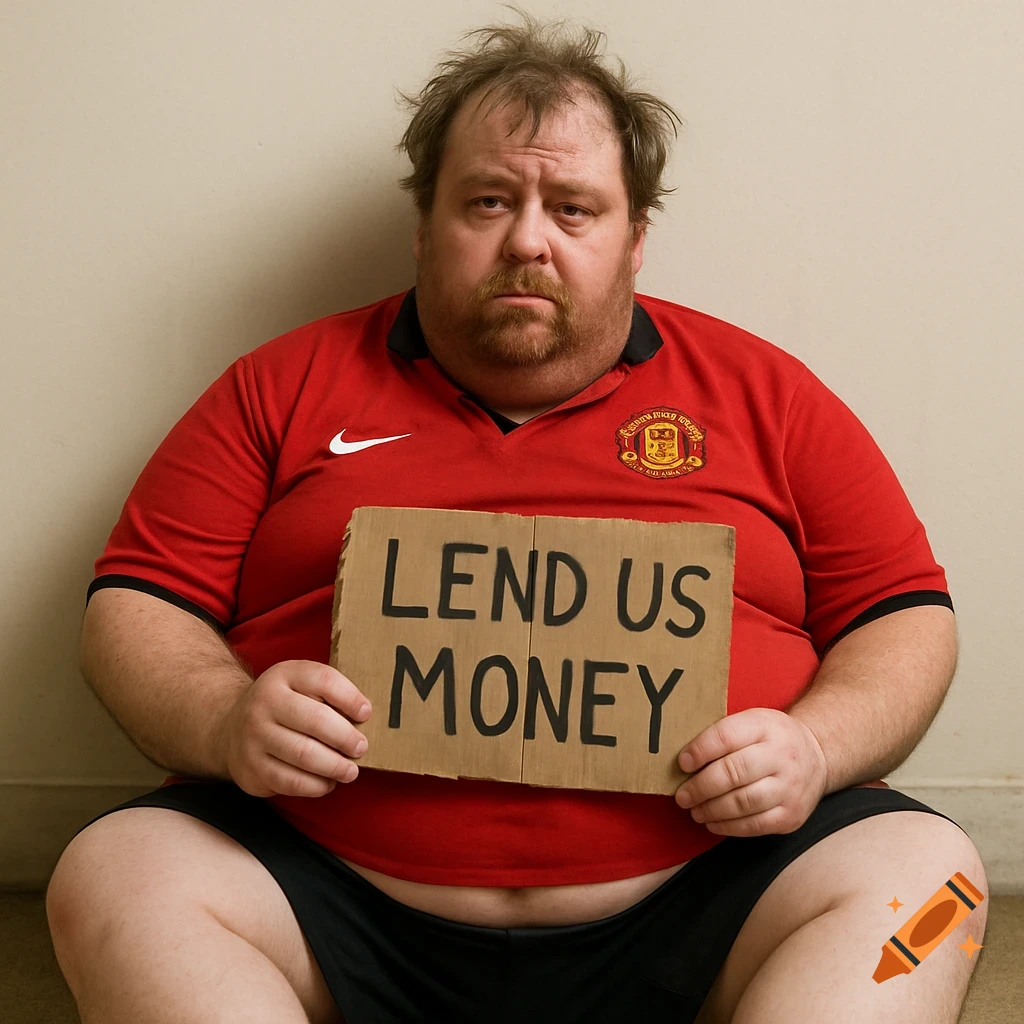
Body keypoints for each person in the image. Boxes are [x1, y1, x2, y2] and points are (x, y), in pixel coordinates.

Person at [46, 9, 986, 1024]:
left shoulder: (768, 395)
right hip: (325, 896)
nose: (528, 240)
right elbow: (136, 607)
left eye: (572, 208)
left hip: (704, 901)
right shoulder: (278, 387)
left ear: (634, 240)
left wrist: (813, 748)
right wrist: (224, 719)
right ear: (425, 225)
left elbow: (903, 617)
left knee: (936, 886)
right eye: (488, 200)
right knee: (114, 872)